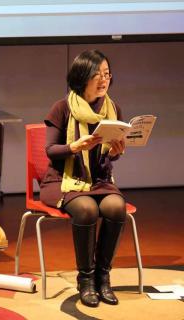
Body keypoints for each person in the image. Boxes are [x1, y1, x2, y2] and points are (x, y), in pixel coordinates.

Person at [40, 50, 126, 307]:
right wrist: (74, 147)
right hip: (61, 180)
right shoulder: (62, 107)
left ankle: (103, 277)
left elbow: (106, 161)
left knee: (116, 206)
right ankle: (86, 279)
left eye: (107, 74)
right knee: (87, 209)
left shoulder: (113, 108)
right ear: (81, 77)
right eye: (96, 74)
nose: (103, 80)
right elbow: (50, 150)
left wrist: (114, 152)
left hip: (98, 180)